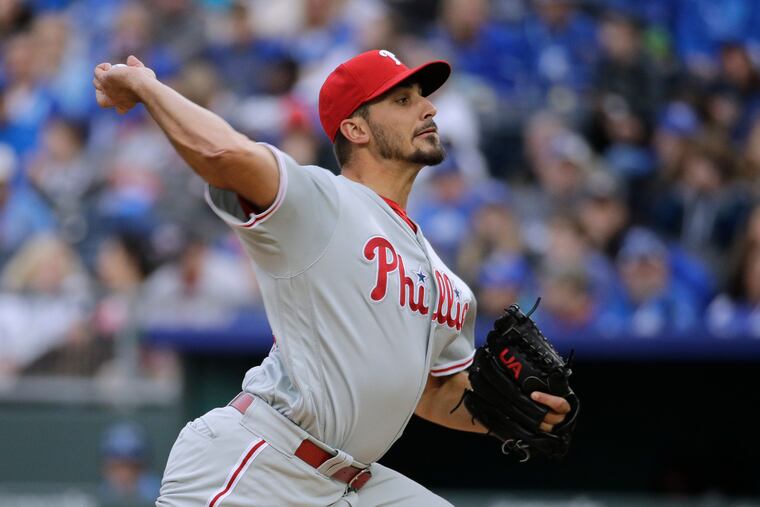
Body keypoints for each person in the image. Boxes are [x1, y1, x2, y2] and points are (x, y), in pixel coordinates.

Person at [93, 49, 570, 507]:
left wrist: (515, 416)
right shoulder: (322, 202)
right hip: (259, 461)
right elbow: (221, 152)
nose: (428, 108)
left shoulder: (448, 283)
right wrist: (145, 86)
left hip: (347, 482)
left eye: (423, 96)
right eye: (402, 100)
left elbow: (437, 392)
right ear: (355, 127)